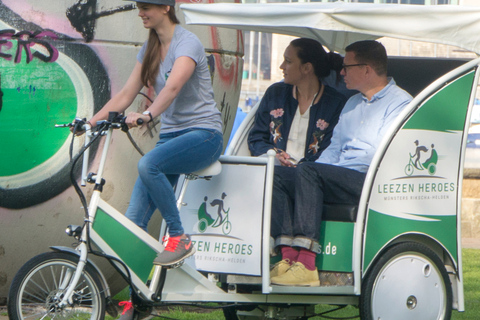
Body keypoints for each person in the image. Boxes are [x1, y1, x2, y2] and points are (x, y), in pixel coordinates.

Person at [87, 0, 223, 268]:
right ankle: (134, 301)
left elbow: (172, 88)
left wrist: (148, 115)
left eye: (146, 7)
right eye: (139, 6)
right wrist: (90, 123)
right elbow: (126, 94)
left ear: (166, 9)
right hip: (171, 139)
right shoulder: (150, 49)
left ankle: (178, 237)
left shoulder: (188, 43)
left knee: (149, 164)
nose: (140, 13)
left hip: (203, 134)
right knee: (133, 222)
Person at [269, 40, 413, 286]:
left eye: (347, 67)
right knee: (277, 175)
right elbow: (333, 151)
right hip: (339, 176)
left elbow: (380, 157)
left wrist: (314, 171)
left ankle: (306, 263)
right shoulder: (352, 104)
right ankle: (289, 258)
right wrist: (310, 170)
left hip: (369, 180)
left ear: (366, 69)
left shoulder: (401, 104)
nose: (341, 72)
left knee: (309, 171)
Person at [248, 38, 347, 167]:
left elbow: (331, 149)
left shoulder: (336, 103)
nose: (281, 66)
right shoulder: (275, 93)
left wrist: (302, 167)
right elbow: (256, 137)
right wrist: (273, 154)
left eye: (288, 61)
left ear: (307, 68)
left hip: (311, 177)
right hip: (274, 171)